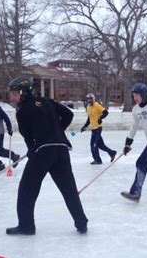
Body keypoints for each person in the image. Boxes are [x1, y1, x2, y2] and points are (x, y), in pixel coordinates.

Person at [6, 75, 88, 235]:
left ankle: (26, 226)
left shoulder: (22, 112)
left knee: (27, 189)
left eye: (14, 94)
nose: (13, 98)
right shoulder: (47, 101)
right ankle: (81, 223)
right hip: (61, 149)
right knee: (69, 189)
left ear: (23, 93)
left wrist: (32, 149)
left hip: (42, 152)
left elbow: (28, 137)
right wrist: (56, 131)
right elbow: (68, 115)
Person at [80, 93, 116, 164]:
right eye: (88, 99)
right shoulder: (88, 107)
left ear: (93, 99)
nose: (89, 100)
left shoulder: (97, 105)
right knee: (99, 145)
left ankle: (98, 160)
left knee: (95, 145)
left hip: (98, 128)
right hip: (93, 129)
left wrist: (100, 118)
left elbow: (106, 112)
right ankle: (112, 152)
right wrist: (84, 127)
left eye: (90, 99)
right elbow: (89, 119)